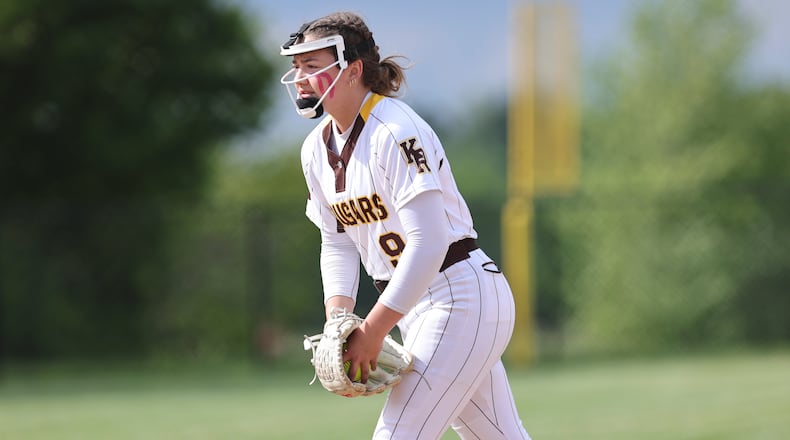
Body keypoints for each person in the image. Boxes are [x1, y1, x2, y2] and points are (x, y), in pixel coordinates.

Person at [279, 11, 532, 440]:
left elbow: (430, 242)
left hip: (459, 294)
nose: (300, 77)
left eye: (312, 64)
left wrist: (373, 330)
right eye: (297, 66)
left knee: (398, 435)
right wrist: (338, 321)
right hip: (415, 304)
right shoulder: (315, 150)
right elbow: (336, 241)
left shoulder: (394, 131)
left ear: (353, 69)